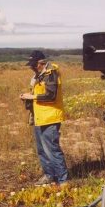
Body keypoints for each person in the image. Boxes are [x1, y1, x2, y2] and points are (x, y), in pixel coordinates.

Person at [20, 50, 68, 186]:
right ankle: (49, 175)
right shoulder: (38, 75)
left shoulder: (51, 74)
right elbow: (38, 93)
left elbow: (51, 96)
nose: (31, 67)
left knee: (52, 150)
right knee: (42, 150)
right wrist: (27, 97)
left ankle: (63, 181)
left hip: (50, 117)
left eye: (33, 65)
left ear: (41, 63)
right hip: (39, 117)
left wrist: (32, 97)